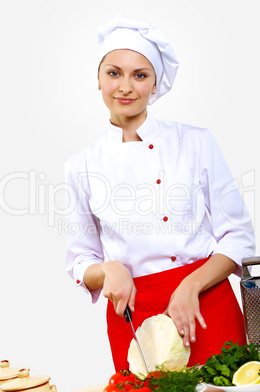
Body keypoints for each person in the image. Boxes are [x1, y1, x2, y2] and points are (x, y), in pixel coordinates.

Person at [65, 15, 255, 372]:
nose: (125, 87)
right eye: (114, 72)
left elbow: (240, 238)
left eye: (140, 75)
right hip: (136, 317)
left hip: (205, 304)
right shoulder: (81, 166)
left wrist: (190, 285)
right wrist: (108, 270)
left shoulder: (196, 143)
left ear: (155, 85)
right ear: (98, 79)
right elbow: (79, 260)